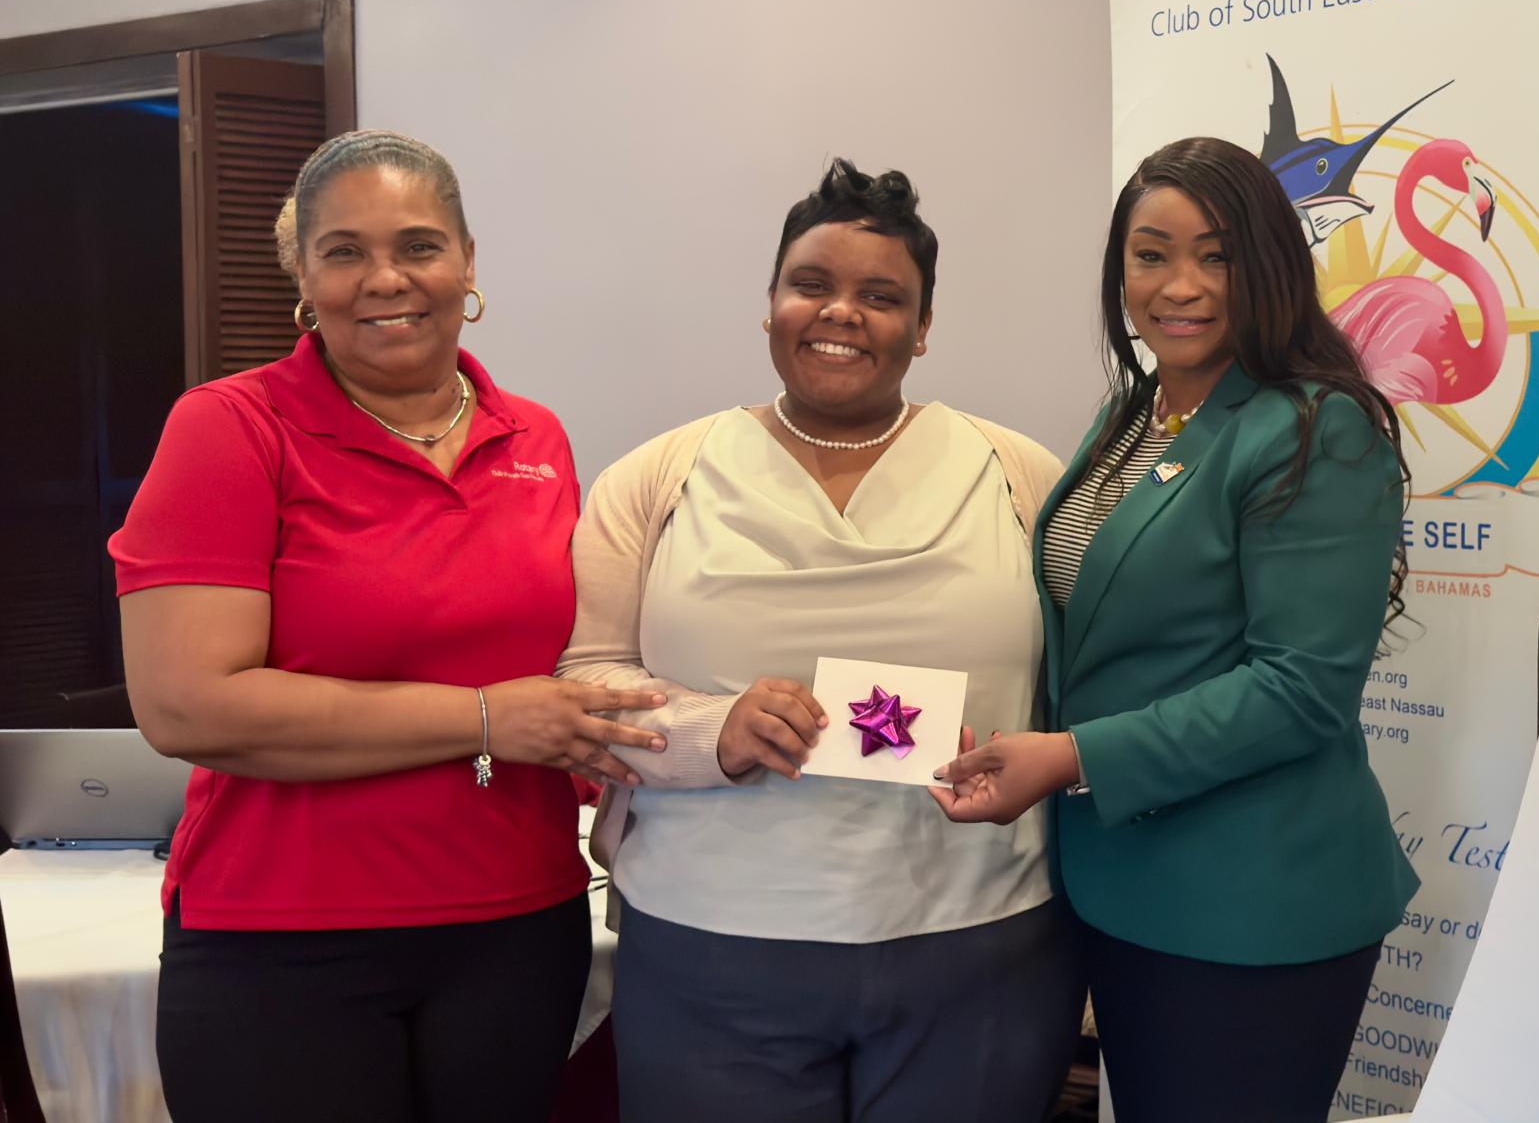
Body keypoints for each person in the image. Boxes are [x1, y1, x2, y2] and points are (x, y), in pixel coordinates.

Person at [110, 130, 666, 1123]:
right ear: (303, 276)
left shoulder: (535, 435)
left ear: (467, 261)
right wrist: (485, 718)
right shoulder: (232, 427)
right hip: (285, 937)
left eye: (417, 245)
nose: (385, 278)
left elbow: (573, 660)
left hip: (517, 926)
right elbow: (187, 706)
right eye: (344, 251)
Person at [557, 159, 1080, 1122]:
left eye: (881, 296)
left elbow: (1084, 684)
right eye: (812, 285)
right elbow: (586, 683)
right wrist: (712, 730)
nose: (841, 313)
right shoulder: (657, 477)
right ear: (770, 305)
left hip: (978, 941)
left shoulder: (1021, 474)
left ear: (923, 326)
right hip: (711, 944)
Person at [930, 136, 1421, 1123]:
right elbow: (1100, 632)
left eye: (1216, 254)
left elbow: (1301, 689)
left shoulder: (1315, 426)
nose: (1179, 285)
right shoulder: (1138, 411)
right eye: (1150, 254)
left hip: (1253, 903)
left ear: (1269, 265)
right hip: (1125, 881)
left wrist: (1072, 756)